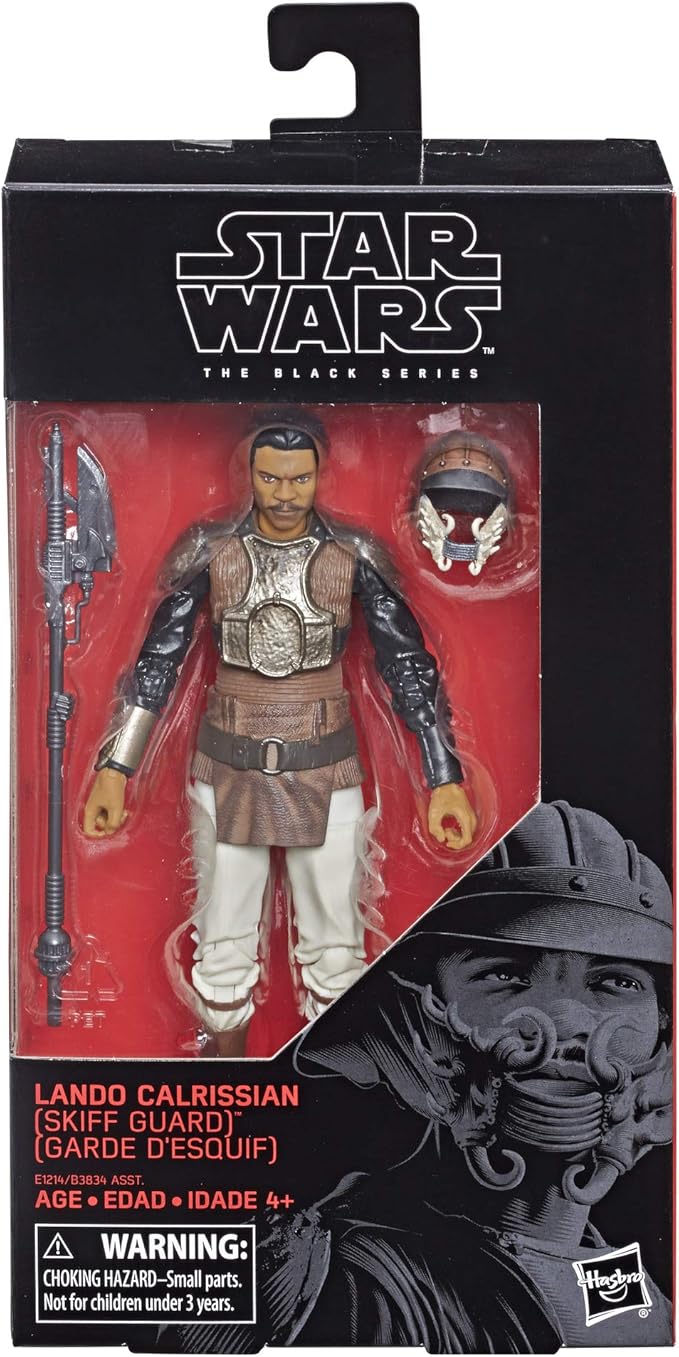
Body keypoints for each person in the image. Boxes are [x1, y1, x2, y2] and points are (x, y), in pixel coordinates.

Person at [82, 415, 476, 1055]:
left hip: (327, 768)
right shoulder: (211, 551)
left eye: (299, 479)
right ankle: (230, 1091)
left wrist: (444, 778)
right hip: (226, 767)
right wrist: (116, 767)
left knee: (337, 956)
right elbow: (158, 663)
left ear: (319, 475)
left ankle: (334, 1094)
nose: (286, 494)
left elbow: (407, 668)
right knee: (222, 952)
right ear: (251, 474)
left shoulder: (354, 555)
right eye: (271, 478)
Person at [220, 800, 669, 1350]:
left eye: (616, 982)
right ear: (405, 1013)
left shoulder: (633, 1290)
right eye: (504, 974)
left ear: (662, 1022)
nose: (567, 1019)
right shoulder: (323, 1278)